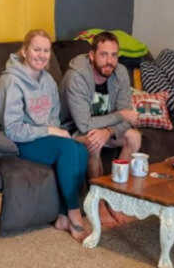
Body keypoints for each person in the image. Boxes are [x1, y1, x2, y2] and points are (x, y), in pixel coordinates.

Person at [0, 29, 90, 242]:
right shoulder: (11, 82)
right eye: (36, 49)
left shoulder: (49, 81)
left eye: (46, 50)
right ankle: (74, 212)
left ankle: (62, 216)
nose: (41, 55)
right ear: (25, 51)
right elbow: (12, 129)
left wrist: (55, 132)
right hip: (13, 141)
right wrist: (51, 132)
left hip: (39, 138)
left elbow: (53, 119)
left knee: (80, 149)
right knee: (69, 147)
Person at [61, 31, 142, 226]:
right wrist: (120, 117)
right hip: (71, 131)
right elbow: (84, 124)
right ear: (92, 56)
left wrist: (109, 131)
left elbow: (128, 118)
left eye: (114, 55)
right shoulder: (76, 77)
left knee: (134, 137)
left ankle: (115, 198)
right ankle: (98, 204)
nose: (109, 61)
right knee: (93, 140)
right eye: (103, 54)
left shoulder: (120, 72)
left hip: (105, 129)